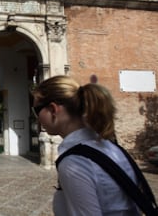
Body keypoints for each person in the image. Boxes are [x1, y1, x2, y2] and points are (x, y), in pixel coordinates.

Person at [32, 75, 140, 215]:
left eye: (36, 110)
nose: (37, 118)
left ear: (53, 109)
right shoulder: (113, 148)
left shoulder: (74, 162)